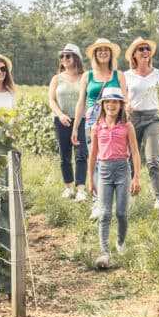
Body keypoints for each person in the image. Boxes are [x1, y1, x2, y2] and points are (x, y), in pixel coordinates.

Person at [72, 38, 129, 218]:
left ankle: (117, 198)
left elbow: (125, 99)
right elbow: (81, 101)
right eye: (99, 50)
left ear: (110, 54)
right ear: (95, 55)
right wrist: (75, 127)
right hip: (93, 121)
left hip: (115, 121)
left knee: (115, 160)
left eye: (106, 50)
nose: (103, 53)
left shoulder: (118, 75)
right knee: (96, 160)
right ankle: (98, 202)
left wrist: (128, 112)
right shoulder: (87, 76)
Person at [88, 87, 140, 269]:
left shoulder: (127, 126)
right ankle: (104, 252)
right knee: (104, 214)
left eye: (115, 102)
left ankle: (120, 241)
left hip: (122, 170)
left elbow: (134, 152)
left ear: (120, 105)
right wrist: (90, 179)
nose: (111, 105)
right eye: (108, 101)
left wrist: (136, 178)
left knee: (121, 213)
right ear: (103, 104)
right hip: (103, 171)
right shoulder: (96, 127)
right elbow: (93, 155)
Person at [124, 37, 159, 210]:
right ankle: (130, 195)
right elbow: (122, 98)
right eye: (141, 49)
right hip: (133, 119)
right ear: (134, 55)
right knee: (129, 158)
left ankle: (158, 199)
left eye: (147, 49)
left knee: (153, 160)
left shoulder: (157, 74)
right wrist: (125, 105)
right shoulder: (127, 75)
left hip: (152, 119)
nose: (145, 51)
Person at [48, 43, 89, 201]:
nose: (64, 59)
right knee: (64, 155)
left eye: (68, 56)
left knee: (81, 154)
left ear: (76, 58)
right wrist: (60, 115)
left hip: (81, 120)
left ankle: (81, 189)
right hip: (62, 121)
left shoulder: (84, 77)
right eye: (62, 56)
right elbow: (51, 100)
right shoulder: (57, 79)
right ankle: (69, 187)